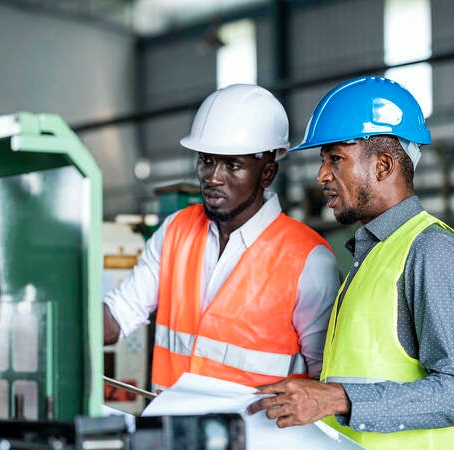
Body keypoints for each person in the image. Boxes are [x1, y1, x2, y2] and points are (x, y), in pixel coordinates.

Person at [248, 76, 454, 449]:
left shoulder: (430, 250)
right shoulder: (372, 255)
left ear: (384, 166)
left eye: (335, 158)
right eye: (323, 161)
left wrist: (334, 398)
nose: (321, 175)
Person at [103, 83, 340, 391]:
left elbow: (324, 380)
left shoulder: (308, 260)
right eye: (206, 160)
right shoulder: (175, 231)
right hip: (173, 434)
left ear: (267, 173)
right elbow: (119, 314)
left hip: (259, 438)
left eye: (232, 165)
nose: (213, 177)